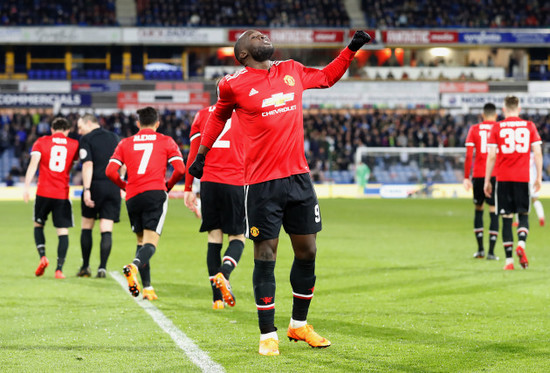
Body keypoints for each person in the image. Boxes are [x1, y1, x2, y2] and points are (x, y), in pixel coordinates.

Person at [188, 29, 372, 356]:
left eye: (262, 35)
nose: (262, 37)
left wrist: (351, 49)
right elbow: (217, 116)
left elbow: (327, 77)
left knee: (308, 251)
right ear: (242, 53)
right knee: (265, 254)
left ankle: (298, 325)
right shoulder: (232, 84)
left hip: (299, 178)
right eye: (254, 37)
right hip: (262, 183)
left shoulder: (291, 70)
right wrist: (202, 154)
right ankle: (267, 333)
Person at [106, 106, 185, 300]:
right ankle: (133, 267)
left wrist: (124, 185)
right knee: (150, 243)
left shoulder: (125, 143)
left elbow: (110, 171)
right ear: (157, 123)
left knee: (141, 241)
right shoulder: (166, 141)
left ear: (138, 123)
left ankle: (147, 287)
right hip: (154, 192)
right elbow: (181, 169)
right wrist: (167, 186)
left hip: (133, 195)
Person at [184, 105, 245, 310]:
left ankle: (217, 300)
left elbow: (194, 154)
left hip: (208, 182)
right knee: (237, 237)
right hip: (235, 181)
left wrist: (188, 188)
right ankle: (225, 272)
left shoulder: (201, 115)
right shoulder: (245, 113)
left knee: (213, 237)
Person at [484, 95, 542, 270]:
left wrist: (487, 180)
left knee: (506, 219)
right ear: (519, 108)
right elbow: (538, 153)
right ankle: (521, 245)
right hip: (523, 178)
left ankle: (509, 262)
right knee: (523, 215)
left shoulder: (497, 127)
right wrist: (538, 177)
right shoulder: (529, 126)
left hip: (503, 179)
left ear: (503, 109)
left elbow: (492, 155)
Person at [23, 117, 79, 279]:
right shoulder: (73, 144)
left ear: (52, 129)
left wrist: (26, 187)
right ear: (67, 130)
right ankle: (59, 269)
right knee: (63, 232)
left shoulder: (41, 142)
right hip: (61, 194)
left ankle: (42, 256)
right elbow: (74, 163)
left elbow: (33, 165)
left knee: (38, 225)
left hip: (43, 193)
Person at [76, 114, 121, 278]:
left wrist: (87, 189)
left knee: (87, 226)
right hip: (113, 186)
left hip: (95, 185)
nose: (79, 132)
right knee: (106, 229)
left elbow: (88, 164)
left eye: (80, 127)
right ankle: (102, 268)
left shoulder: (87, 139)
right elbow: (122, 163)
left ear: (89, 123)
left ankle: (85, 267)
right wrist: (121, 182)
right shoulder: (114, 137)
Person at [463, 103, 499, 260]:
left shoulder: (474, 129)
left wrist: (466, 176)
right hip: (496, 174)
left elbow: (469, 155)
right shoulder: (500, 128)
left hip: (478, 174)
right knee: (494, 210)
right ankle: (491, 252)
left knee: (479, 208)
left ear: (482, 115)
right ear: (496, 115)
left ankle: (480, 250)